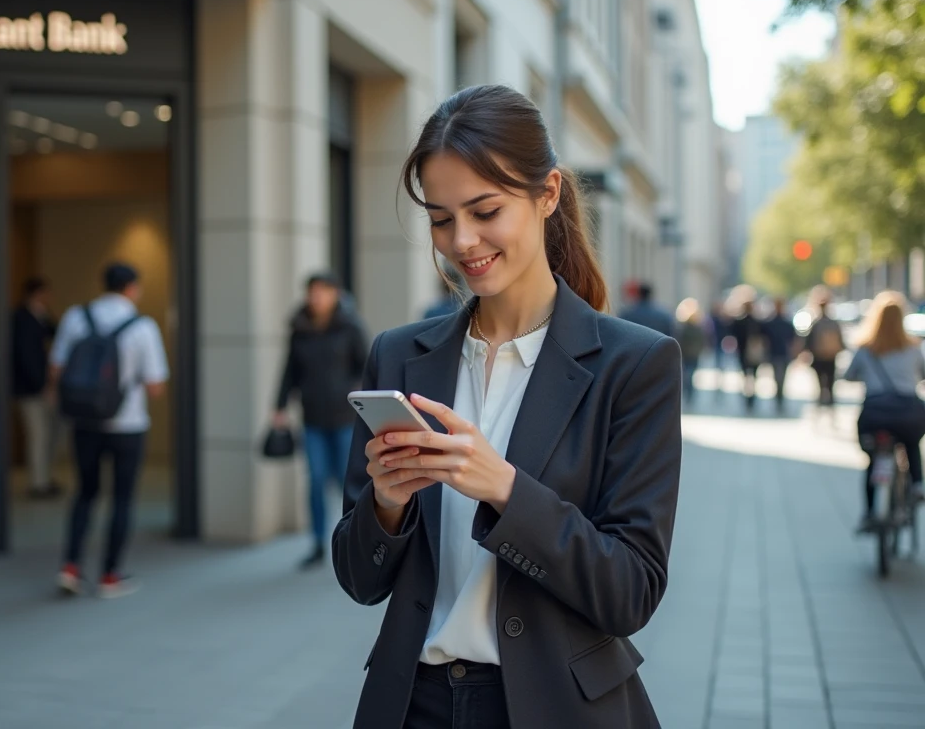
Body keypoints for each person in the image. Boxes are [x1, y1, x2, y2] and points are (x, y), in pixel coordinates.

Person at [332, 85, 681, 728]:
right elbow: (360, 579)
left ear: (547, 194)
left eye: (485, 210)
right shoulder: (400, 355)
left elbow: (631, 591)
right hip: (414, 704)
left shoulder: (635, 365)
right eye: (441, 219)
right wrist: (384, 505)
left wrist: (505, 490)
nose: (462, 241)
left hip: (556, 707)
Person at [50, 263, 169, 598]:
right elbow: (156, 384)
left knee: (85, 494)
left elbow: (57, 368)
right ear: (132, 287)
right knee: (122, 498)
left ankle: (70, 567)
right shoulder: (142, 326)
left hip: (84, 422)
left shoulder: (77, 317)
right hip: (127, 424)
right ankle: (109, 576)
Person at [272, 272, 368, 569]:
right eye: (312, 292)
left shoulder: (350, 327)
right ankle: (316, 543)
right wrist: (279, 405)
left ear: (335, 294)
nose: (316, 297)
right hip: (312, 418)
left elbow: (366, 366)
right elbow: (290, 369)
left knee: (345, 480)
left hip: (344, 418)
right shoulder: (299, 328)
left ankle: (355, 540)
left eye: (323, 291)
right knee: (314, 480)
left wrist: (355, 392)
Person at [843, 292, 925, 531]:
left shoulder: (865, 348)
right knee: (910, 443)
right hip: (907, 412)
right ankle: (918, 485)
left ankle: (869, 512)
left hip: (874, 414)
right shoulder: (912, 348)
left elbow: (848, 375)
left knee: (873, 460)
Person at [12, 277, 60, 499]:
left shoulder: (40, 316)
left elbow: (55, 333)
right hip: (30, 388)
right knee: (38, 435)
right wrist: (41, 385)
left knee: (49, 434)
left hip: (42, 386)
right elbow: (25, 355)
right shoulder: (20, 318)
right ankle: (38, 484)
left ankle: (44, 479)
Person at [806, 285, 845, 415]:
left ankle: (822, 405)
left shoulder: (816, 323)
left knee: (821, 384)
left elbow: (808, 341)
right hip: (830, 357)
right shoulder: (833, 322)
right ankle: (830, 406)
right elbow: (841, 340)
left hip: (819, 357)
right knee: (830, 383)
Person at [763, 297, 799, 412]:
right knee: (779, 377)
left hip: (781, 353)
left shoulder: (783, 322)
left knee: (780, 377)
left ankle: (780, 398)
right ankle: (779, 398)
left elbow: (793, 339)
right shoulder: (773, 322)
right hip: (777, 353)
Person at [731, 298, 767, 413]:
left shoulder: (739, 321)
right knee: (753, 376)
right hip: (752, 352)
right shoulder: (756, 321)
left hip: (744, 352)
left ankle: (748, 396)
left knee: (746, 375)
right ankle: (751, 397)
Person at [675, 298, 708, 404]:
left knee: (688, 373)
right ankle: (689, 393)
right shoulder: (690, 326)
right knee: (690, 374)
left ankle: (688, 392)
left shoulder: (688, 326)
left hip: (688, 353)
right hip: (690, 353)